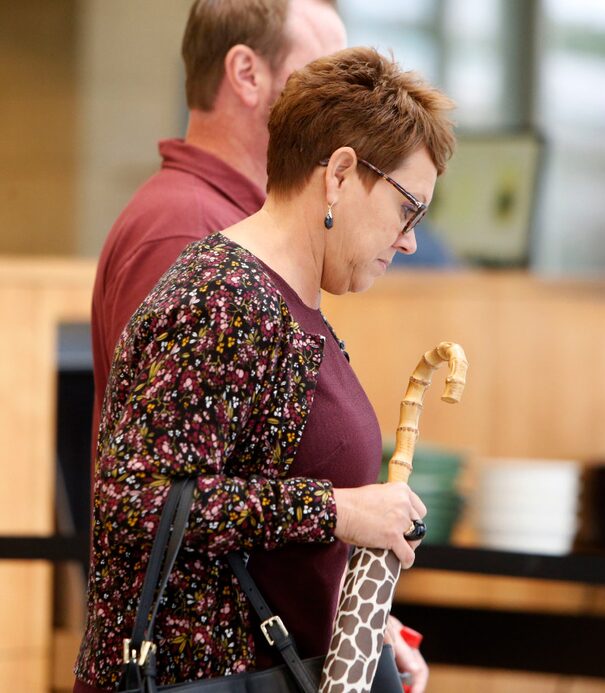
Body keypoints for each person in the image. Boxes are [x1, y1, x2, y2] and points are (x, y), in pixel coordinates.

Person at [73, 46, 455, 692]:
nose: (411, 239)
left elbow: (272, 538)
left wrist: (363, 626)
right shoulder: (220, 296)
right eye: (406, 209)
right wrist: (336, 509)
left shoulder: (288, 302)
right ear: (338, 174)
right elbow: (136, 499)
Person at [90, 0, 346, 467]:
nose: (343, 114)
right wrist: (339, 512)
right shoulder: (184, 232)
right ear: (248, 74)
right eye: (323, 81)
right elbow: (162, 494)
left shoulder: (242, 224)